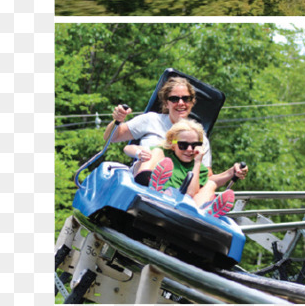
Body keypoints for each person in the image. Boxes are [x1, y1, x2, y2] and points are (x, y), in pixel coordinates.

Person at [102, 75, 247, 187]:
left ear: (192, 101)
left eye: (186, 98)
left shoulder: (199, 137)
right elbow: (111, 137)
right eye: (174, 99)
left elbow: (206, 178)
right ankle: (148, 184)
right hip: (142, 180)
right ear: (166, 102)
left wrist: (231, 172)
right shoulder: (151, 120)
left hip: (176, 189)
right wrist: (117, 120)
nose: (181, 103)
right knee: (157, 153)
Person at [136, 119, 238, 216]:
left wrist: (197, 162)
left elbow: (191, 193)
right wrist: (139, 153)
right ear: (173, 144)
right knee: (156, 153)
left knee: (210, 184)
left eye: (194, 146)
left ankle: (206, 212)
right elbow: (128, 148)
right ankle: (153, 186)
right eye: (183, 145)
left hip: (181, 202)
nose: (189, 149)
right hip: (159, 192)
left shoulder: (200, 168)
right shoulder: (163, 152)